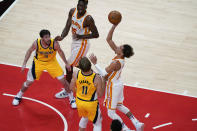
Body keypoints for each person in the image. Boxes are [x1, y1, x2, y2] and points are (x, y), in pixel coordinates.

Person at [89, 24, 144, 131]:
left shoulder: (116, 63)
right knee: (119, 106)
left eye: (120, 47)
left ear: (122, 52)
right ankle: (136, 123)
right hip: (119, 84)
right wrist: (114, 25)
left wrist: (95, 63)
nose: (118, 46)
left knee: (111, 113)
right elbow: (108, 39)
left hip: (113, 86)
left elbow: (104, 74)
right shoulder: (119, 55)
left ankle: (126, 129)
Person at [12, 29, 76, 108]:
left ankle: (72, 98)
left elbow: (60, 52)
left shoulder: (54, 44)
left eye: (49, 36)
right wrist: (24, 63)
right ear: (42, 38)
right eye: (46, 37)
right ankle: (19, 95)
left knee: (63, 80)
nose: (48, 39)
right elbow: (29, 51)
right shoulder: (37, 43)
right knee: (29, 82)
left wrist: (66, 63)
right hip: (38, 63)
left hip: (51, 62)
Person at [55, 0, 99, 99]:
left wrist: (80, 36)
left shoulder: (88, 18)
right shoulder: (72, 11)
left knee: (69, 64)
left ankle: (68, 90)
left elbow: (96, 34)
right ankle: (97, 79)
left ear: (86, 7)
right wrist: (62, 36)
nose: (80, 7)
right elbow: (67, 26)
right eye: (78, 5)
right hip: (75, 42)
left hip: (82, 43)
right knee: (80, 64)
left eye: (82, 6)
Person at [70, 57, 105, 131]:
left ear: (80, 67)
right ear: (90, 65)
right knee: (97, 123)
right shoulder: (96, 77)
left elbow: (71, 87)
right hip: (91, 104)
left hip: (79, 102)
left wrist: (79, 93)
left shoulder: (76, 73)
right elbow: (100, 95)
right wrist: (104, 81)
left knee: (85, 117)